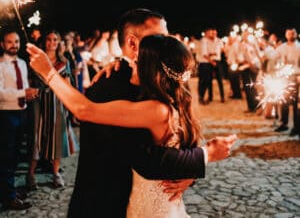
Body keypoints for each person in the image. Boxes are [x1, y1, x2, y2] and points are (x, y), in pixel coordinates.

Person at [27, 33, 237, 217]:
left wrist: (49, 72)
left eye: (138, 62)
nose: (132, 64)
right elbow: (181, 151)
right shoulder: (181, 101)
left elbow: (84, 110)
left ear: (150, 70)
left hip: (149, 208)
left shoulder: (155, 109)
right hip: (165, 204)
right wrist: (195, 167)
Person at [26, 30, 79, 191]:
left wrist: (72, 106)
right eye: (49, 39)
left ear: (58, 42)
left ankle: (56, 173)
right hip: (38, 101)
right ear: (44, 41)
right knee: (36, 136)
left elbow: (68, 85)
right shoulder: (35, 60)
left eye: (55, 39)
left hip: (57, 101)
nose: (52, 42)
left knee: (57, 136)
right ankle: (30, 174)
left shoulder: (64, 62)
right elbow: (28, 82)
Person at [0, 28, 38, 210]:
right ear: (2, 44)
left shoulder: (22, 63)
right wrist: (24, 92)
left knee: (16, 156)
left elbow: (23, 85)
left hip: (21, 113)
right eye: (9, 42)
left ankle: (9, 190)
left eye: (16, 42)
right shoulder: (0, 65)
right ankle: (8, 198)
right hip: (6, 115)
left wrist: (30, 93)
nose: (14, 45)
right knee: (6, 157)